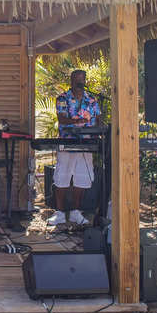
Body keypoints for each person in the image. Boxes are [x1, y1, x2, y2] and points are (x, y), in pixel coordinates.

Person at [47, 69, 101, 226]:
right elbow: (62, 119)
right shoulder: (63, 98)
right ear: (71, 81)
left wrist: (98, 129)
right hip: (68, 141)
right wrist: (76, 122)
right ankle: (60, 213)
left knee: (82, 177)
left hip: (86, 143)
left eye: (82, 80)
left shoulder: (92, 100)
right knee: (62, 176)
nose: (79, 82)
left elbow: (98, 118)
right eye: (76, 79)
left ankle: (76, 212)